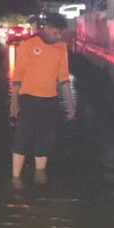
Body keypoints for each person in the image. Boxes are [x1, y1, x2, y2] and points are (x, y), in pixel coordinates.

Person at [9, 12, 75, 178]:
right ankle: (16, 177)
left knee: (45, 139)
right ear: (47, 28)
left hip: (50, 100)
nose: (58, 36)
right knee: (22, 138)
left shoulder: (61, 48)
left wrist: (70, 103)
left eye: (61, 33)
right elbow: (17, 76)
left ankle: (40, 175)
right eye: (56, 32)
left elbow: (64, 78)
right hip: (28, 98)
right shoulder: (28, 44)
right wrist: (13, 103)